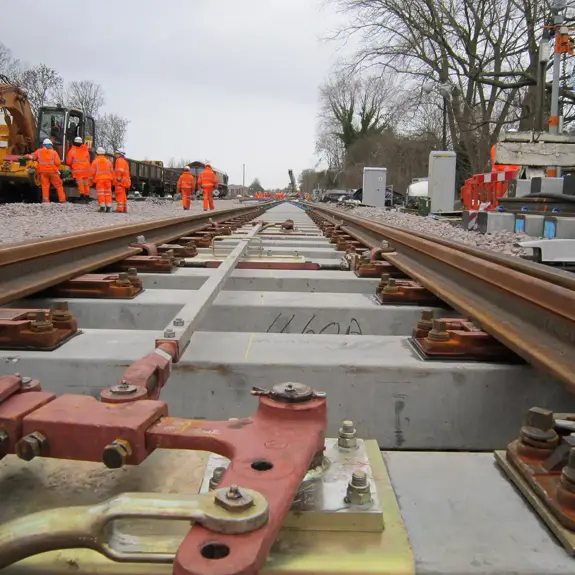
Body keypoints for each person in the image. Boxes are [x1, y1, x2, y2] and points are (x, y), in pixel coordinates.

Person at [28, 138, 66, 204]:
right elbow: (58, 163)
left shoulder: (39, 151)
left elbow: (32, 157)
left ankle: (46, 200)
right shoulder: (54, 152)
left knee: (45, 186)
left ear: (43, 145)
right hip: (53, 172)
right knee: (58, 185)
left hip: (43, 172)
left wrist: (28, 156)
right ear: (51, 145)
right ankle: (62, 200)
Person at [66, 137, 92, 202]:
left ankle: (82, 197)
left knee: (80, 184)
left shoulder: (72, 151)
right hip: (86, 170)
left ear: (74, 143)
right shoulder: (85, 150)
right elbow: (88, 159)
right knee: (86, 184)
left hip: (78, 171)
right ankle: (87, 197)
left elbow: (69, 162)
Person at [90, 147, 114, 212]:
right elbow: (112, 172)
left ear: (97, 153)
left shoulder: (95, 162)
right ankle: (108, 206)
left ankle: (102, 206)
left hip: (99, 180)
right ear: (104, 154)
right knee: (108, 193)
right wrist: (113, 181)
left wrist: (91, 182)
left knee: (101, 193)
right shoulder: (108, 162)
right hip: (108, 180)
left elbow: (92, 172)